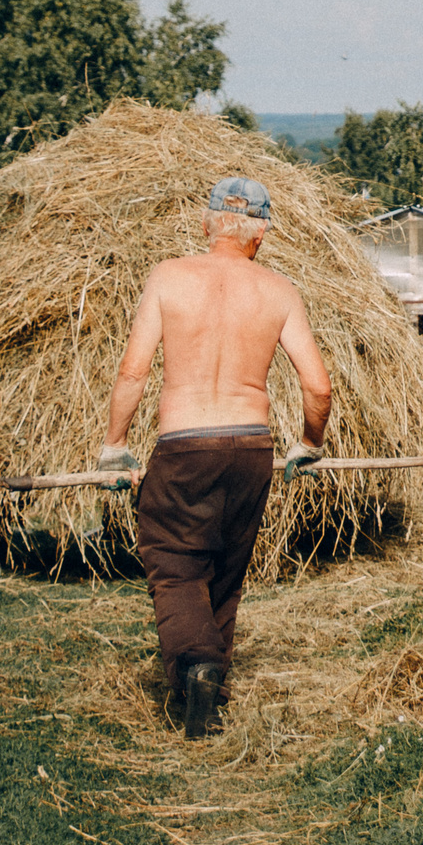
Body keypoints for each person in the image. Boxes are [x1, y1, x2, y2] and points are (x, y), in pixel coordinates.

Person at [100, 176, 333, 738]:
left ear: (207, 224)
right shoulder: (280, 290)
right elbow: (318, 387)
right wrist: (309, 443)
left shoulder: (169, 278)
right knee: (226, 573)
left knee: (174, 563)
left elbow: (133, 370)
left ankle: (197, 665)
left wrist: (115, 447)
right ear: (263, 234)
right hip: (251, 447)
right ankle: (207, 698)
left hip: (184, 445)